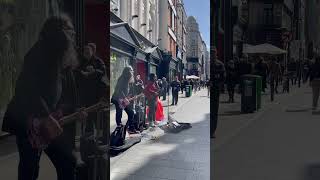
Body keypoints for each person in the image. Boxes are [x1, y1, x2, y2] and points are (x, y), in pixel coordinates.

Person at [2, 14, 88, 180]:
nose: (73, 35)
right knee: (29, 167)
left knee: (67, 161)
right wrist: (46, 115)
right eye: (70, 31)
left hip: (50, 121)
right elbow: (27, 89)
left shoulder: (65, 59)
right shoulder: (37, 54)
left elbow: (69, 92)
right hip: (30, 121)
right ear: (58, 32)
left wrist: (77, 109)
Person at [78, 44, 106, 132]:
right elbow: (77, 70)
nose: (85, 53)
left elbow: (103, 72)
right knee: (86, 112)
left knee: (94, 113)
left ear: (93, 51)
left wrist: (93, 72)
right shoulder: (82, 61)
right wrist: (82, 73)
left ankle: (96, 133)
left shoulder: (98, 61)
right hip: (84, 92)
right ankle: (87, 133)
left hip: (95, 92)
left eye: (88, 51)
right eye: (84, 51)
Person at [111, 66, 139, 134]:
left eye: (132, 70)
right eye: (131, 70)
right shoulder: (122, 79)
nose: (132, 72)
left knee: (131, 113)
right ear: (127, 71)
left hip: (123, 99)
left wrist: (130, 96)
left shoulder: (129, 79)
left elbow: (127, 90)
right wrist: (124, 98)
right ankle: (119, 128)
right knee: (119, 113)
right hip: (118, 99)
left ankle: (129, 128)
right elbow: (119, 90)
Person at [211, 47, 226, 138]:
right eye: (211, 53)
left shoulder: (220, 64)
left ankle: (212, 131)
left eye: (213, 53)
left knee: (214, 111)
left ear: (216, 54)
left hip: (216, 90)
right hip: (208, 91)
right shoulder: (209, 64)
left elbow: (223, 77)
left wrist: (218, 85)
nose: (212, 55)